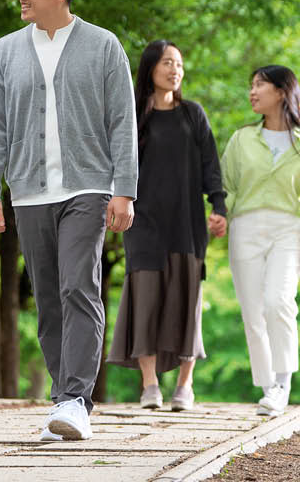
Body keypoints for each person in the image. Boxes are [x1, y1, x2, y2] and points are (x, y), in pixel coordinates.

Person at [0, 0, 138, 441]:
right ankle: (62, 399)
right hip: (28, 192)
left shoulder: (104, 46)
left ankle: (75, 400)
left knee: (77, 286)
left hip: (88, 187)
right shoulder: (6, 51)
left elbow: (123, 123)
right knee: (47, 298)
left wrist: (124, 191)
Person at [105, 40, 226, 412]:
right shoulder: (134, 116)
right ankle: (150, 384)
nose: (175, 70)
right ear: (150, 69)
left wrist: (218, 205)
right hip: (143, 223)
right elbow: (116, 165)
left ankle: (185, 387)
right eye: (167, 63)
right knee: (146, 299)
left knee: (187, 299)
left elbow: (210, 164)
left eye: (179, 63)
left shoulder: (193, 115)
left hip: (187, 223)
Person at [220, 64, 300, 417]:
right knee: (253, 313)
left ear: (281, 92)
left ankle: (283, 383)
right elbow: (228, 188)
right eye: (251, 85)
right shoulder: (241, 140)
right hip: (245, 229)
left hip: (287, 230)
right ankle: (269, 389)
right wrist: (219, 214)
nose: (252, 92)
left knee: (278, 302)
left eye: (260, 85)